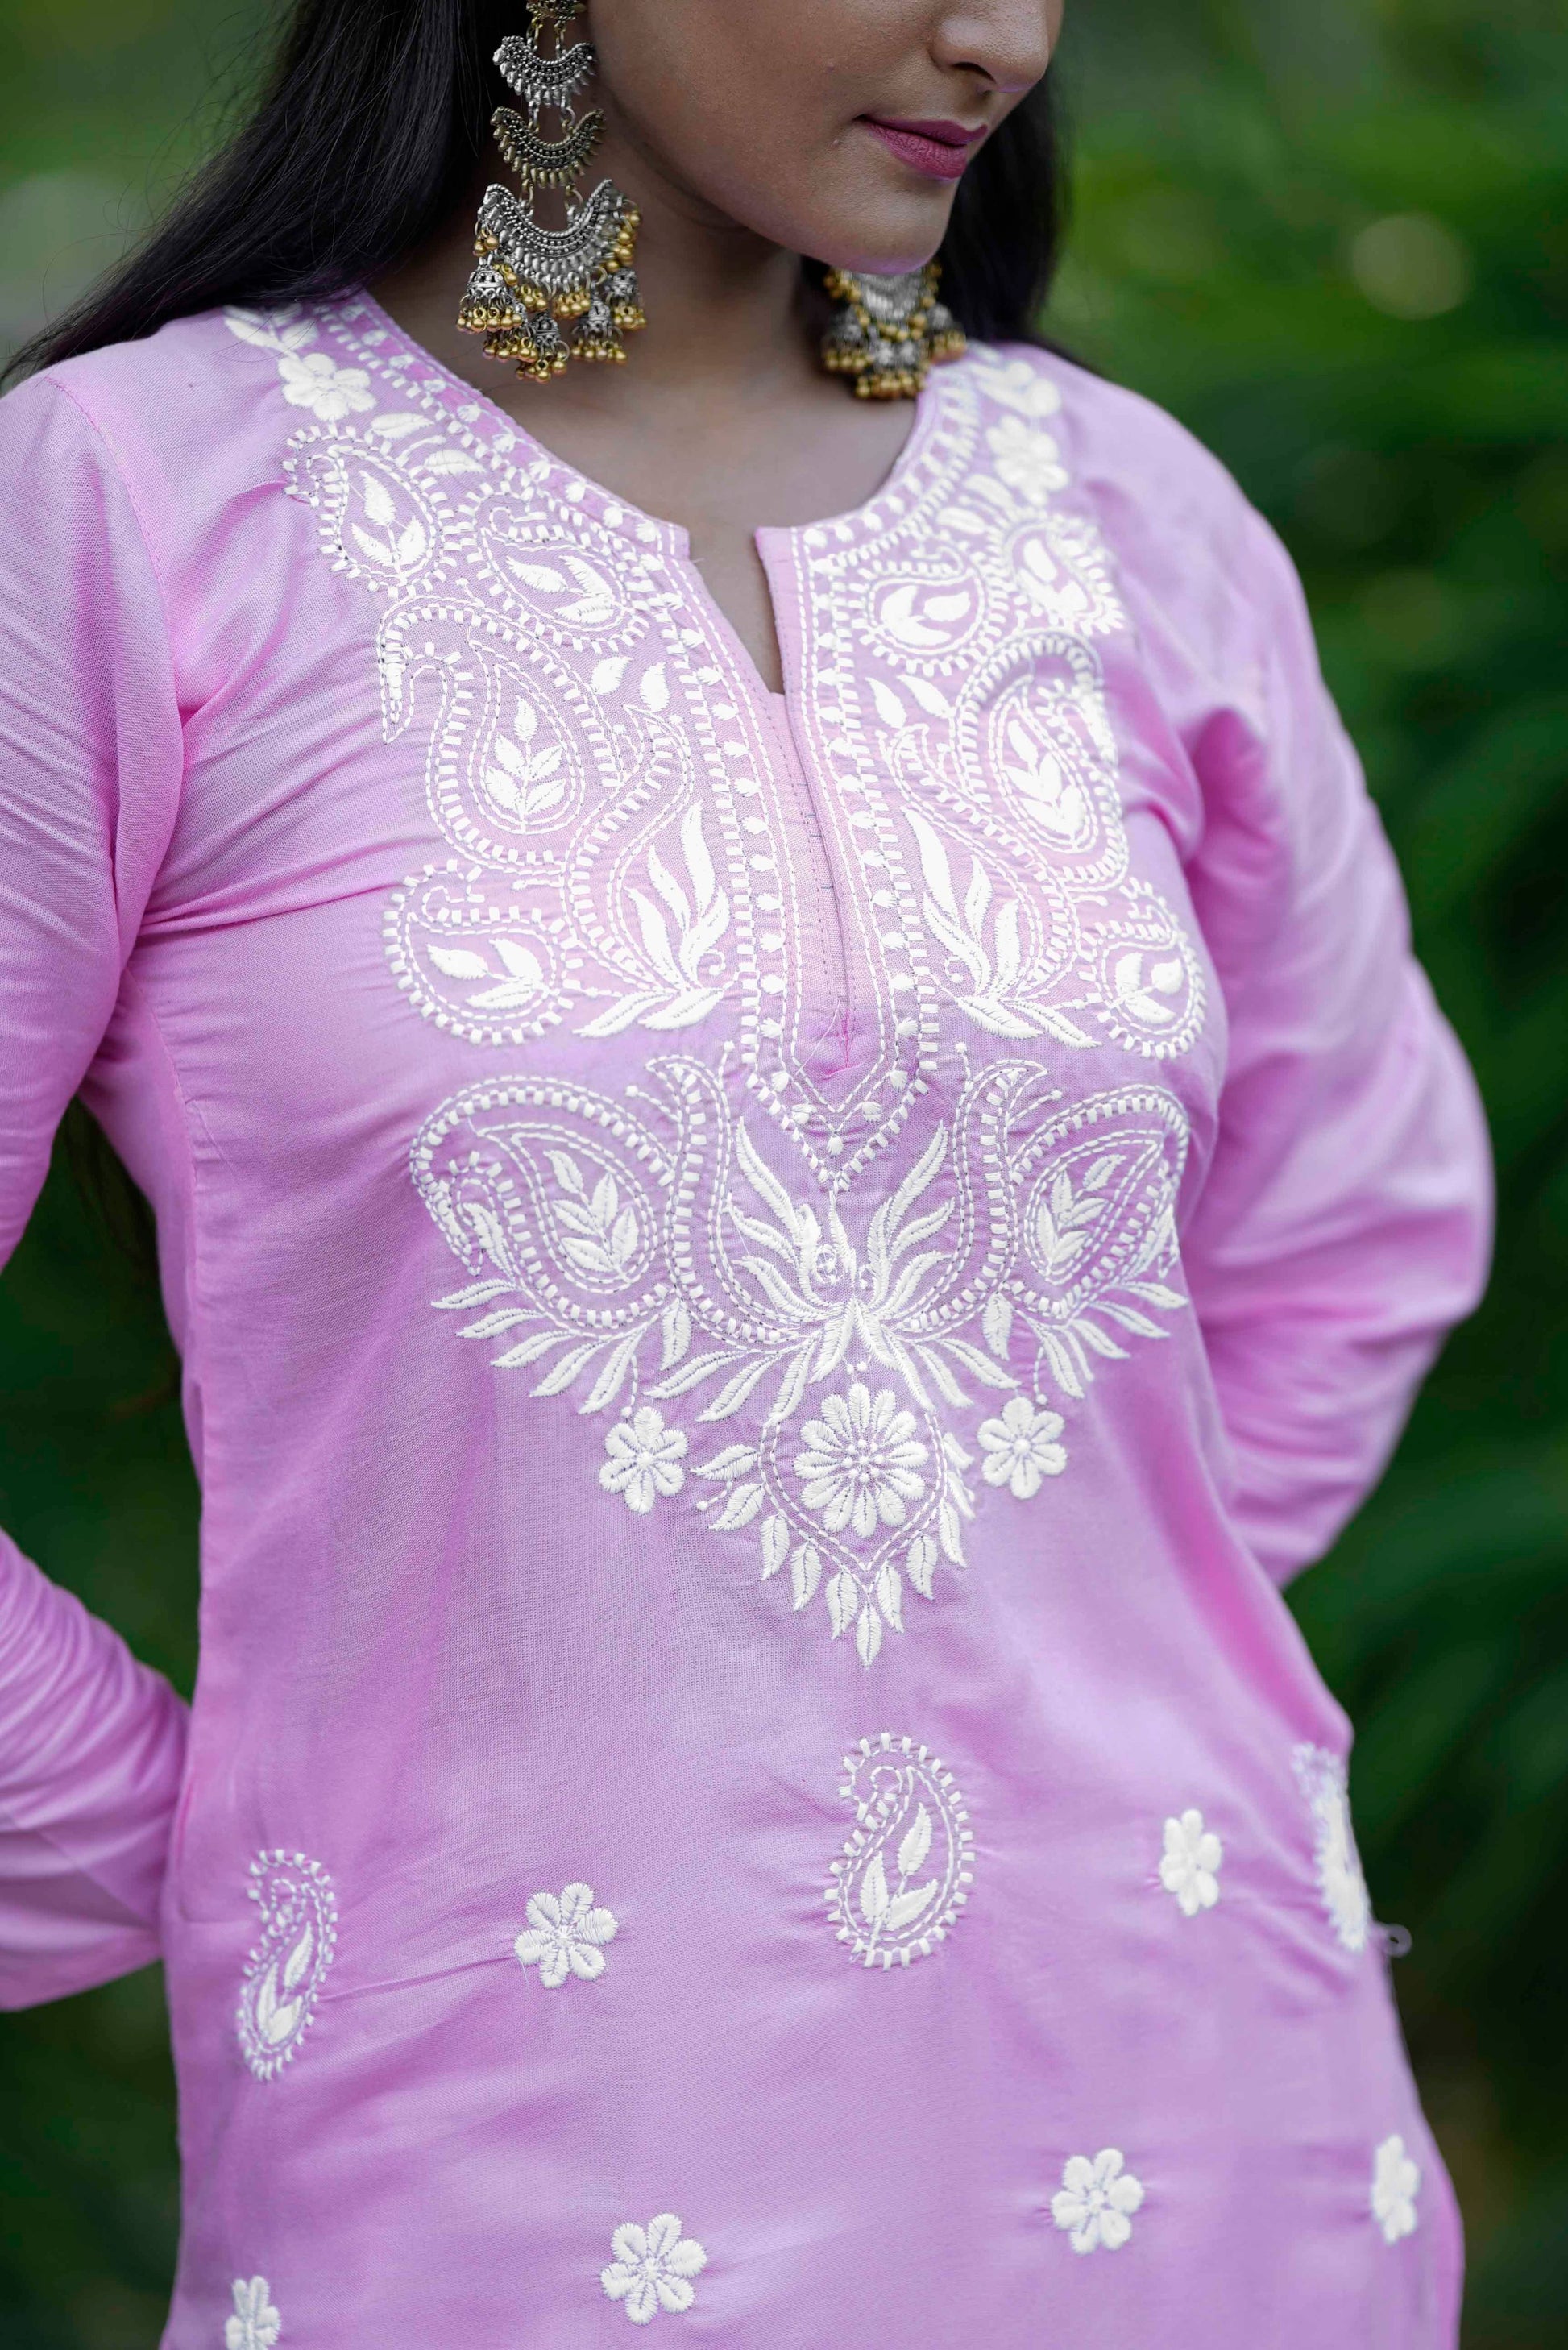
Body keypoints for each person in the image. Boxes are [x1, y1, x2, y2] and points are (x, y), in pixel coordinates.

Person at [0, 0, 1491, 2341]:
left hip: (1204, 2108)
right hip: (514, 2155)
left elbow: (1355, 1219)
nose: (1001, 36)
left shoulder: (1125, 514)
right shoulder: (129, 506)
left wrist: (1067, 1645)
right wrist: (163, 1831)